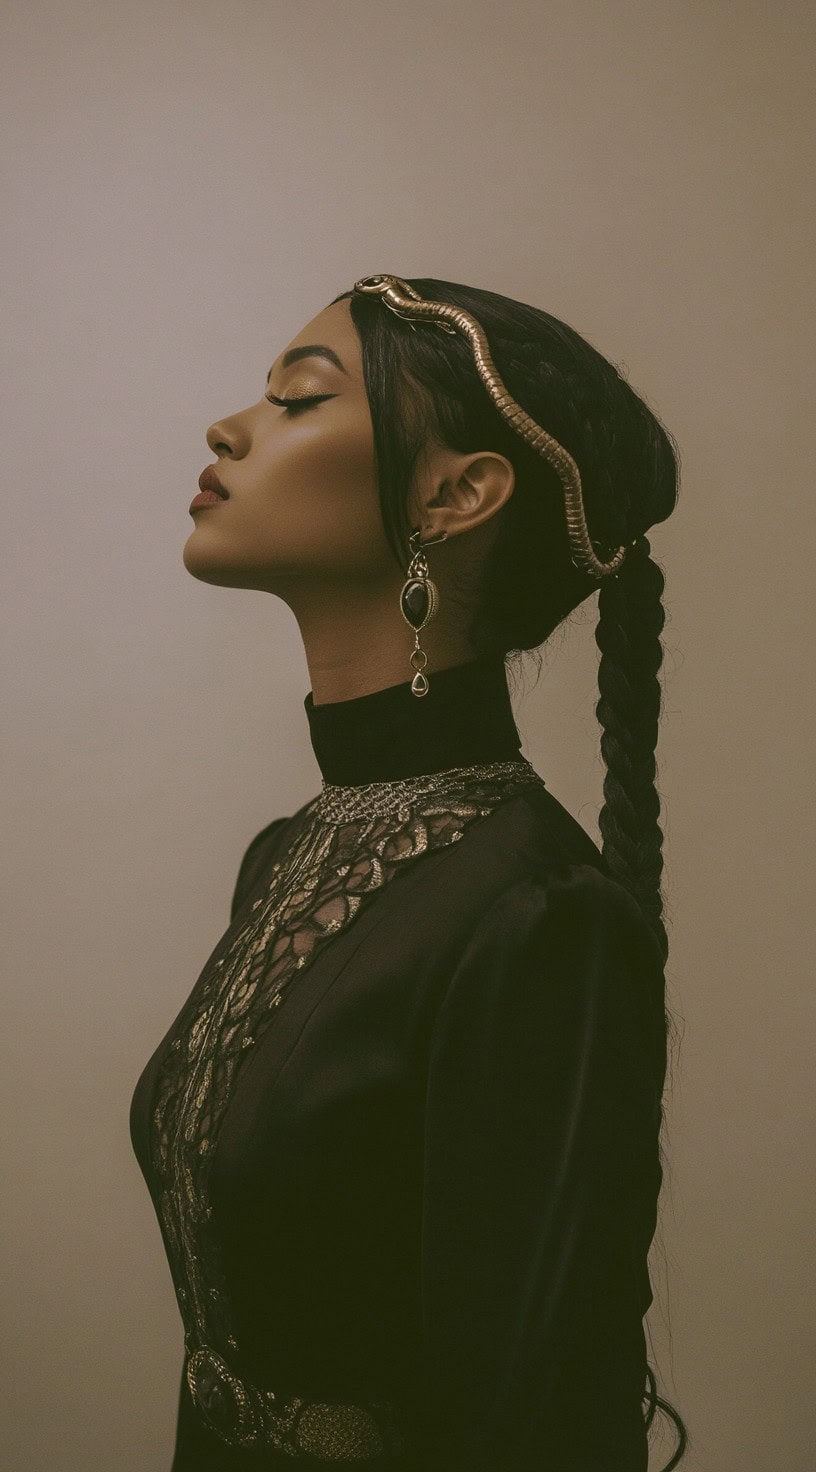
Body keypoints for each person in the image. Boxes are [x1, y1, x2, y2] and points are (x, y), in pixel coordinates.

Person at [129, 273, 689, 1470]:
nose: (231, 426)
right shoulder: (289, 859)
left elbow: (546, 1424)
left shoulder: (539, 916)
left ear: (458, 493)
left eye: (297, 399)